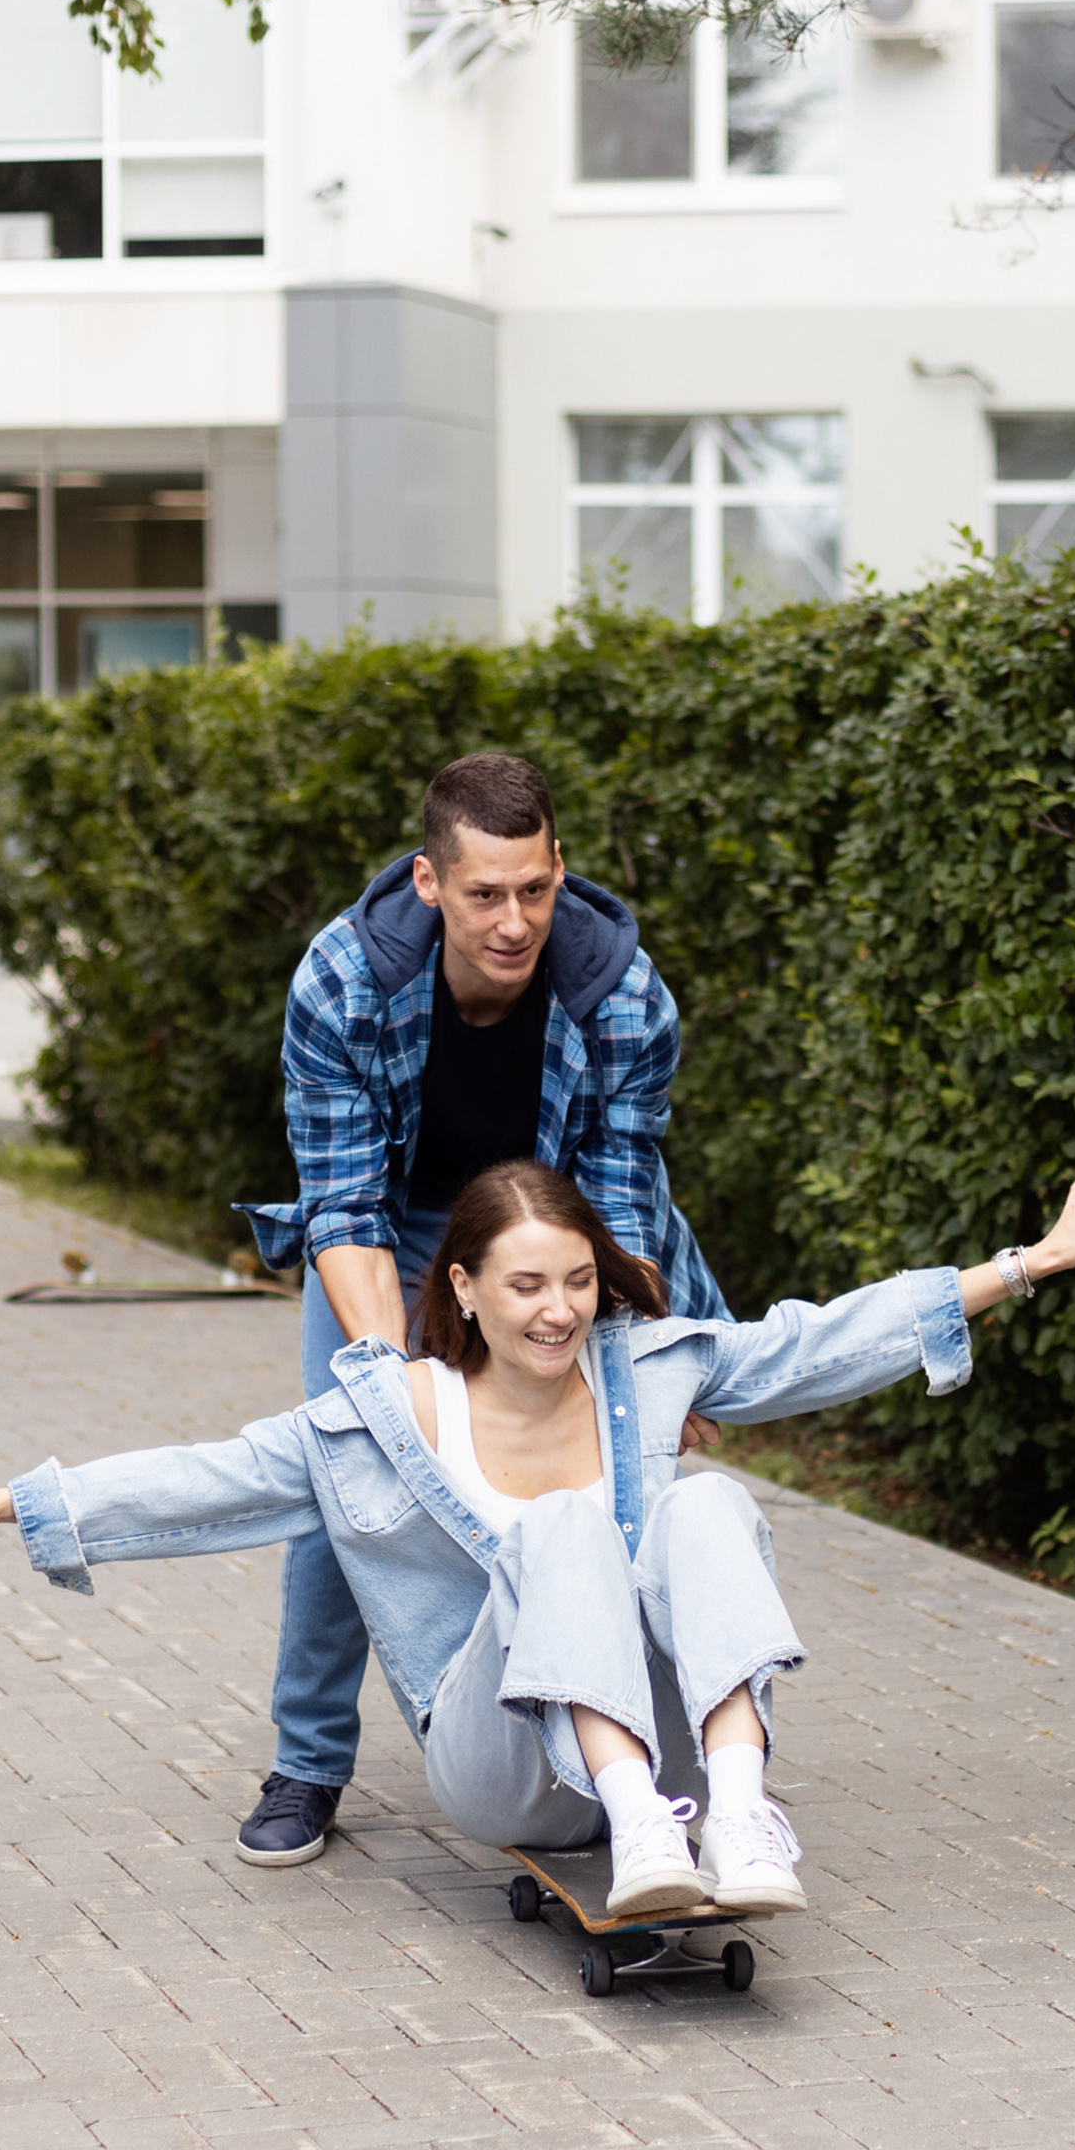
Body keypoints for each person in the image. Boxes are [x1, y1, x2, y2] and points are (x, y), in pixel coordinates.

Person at [0, 1149, 1075, 1920]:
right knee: (565, 1532)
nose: (562, 1310)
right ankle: (639, 1824)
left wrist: (1027, 1262)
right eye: (529, 1284)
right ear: (463, 1287)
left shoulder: (649, 1368)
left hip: (669, 1728)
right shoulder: (384, 1420)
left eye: (579, 1279)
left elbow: (816, 1342)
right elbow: (212, 1481)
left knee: (706, 1499)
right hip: (499, 1757)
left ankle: (736, 1815)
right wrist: (6, 1500)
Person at [235, 751, 728, 1874]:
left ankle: (632, 1745)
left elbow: (618, 1204)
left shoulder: (623, 995)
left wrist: (641, 1367)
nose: (514, 922)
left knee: (617, 1461)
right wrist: (386, 1388)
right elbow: (342, 1203)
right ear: (428, 882)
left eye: (535, 890)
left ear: (561, 869)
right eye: (484, 895)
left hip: (549, 1233)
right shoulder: (343, 981)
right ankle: (307, 1762)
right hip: (393, 1225)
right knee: (345, 1474)